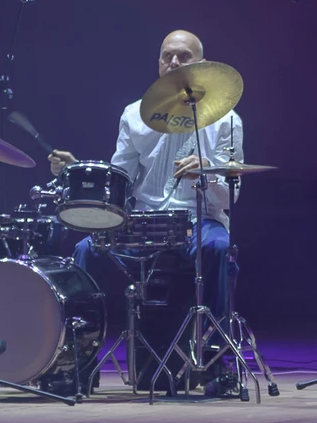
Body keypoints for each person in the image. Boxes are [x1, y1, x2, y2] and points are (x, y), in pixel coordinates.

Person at [48, 29, 242, 394]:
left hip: (197, 218)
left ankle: (217, 361)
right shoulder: (134, 114)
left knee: (218, 248)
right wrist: (78, 172)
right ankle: (79, 360)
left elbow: (230, 197)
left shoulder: (227, 119)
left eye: (183, 56)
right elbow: (119, 182)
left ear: (202, 65)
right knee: (85, 251)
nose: (173, 62)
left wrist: (207, 171)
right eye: (167, 56)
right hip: (143, 221)